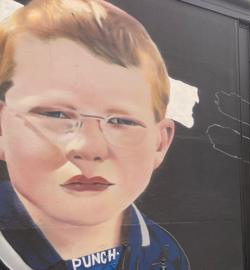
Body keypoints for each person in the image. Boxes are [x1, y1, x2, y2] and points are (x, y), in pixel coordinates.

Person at [0, 0, 189, 269]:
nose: (90, 147)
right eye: (56, 115)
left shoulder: (163, 252)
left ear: (159, 143)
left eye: (122, 120)